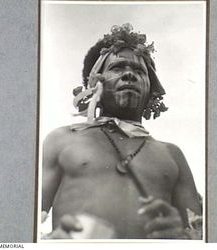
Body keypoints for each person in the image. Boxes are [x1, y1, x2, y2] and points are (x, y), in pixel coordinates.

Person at [41, 24, 202, 239]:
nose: (129, 75)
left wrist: (181, 236)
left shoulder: (172, 154)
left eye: (139, 71)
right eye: (117, 68)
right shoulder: (62, 140)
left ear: (151, 90)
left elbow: (199, 232)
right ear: (94, 83)